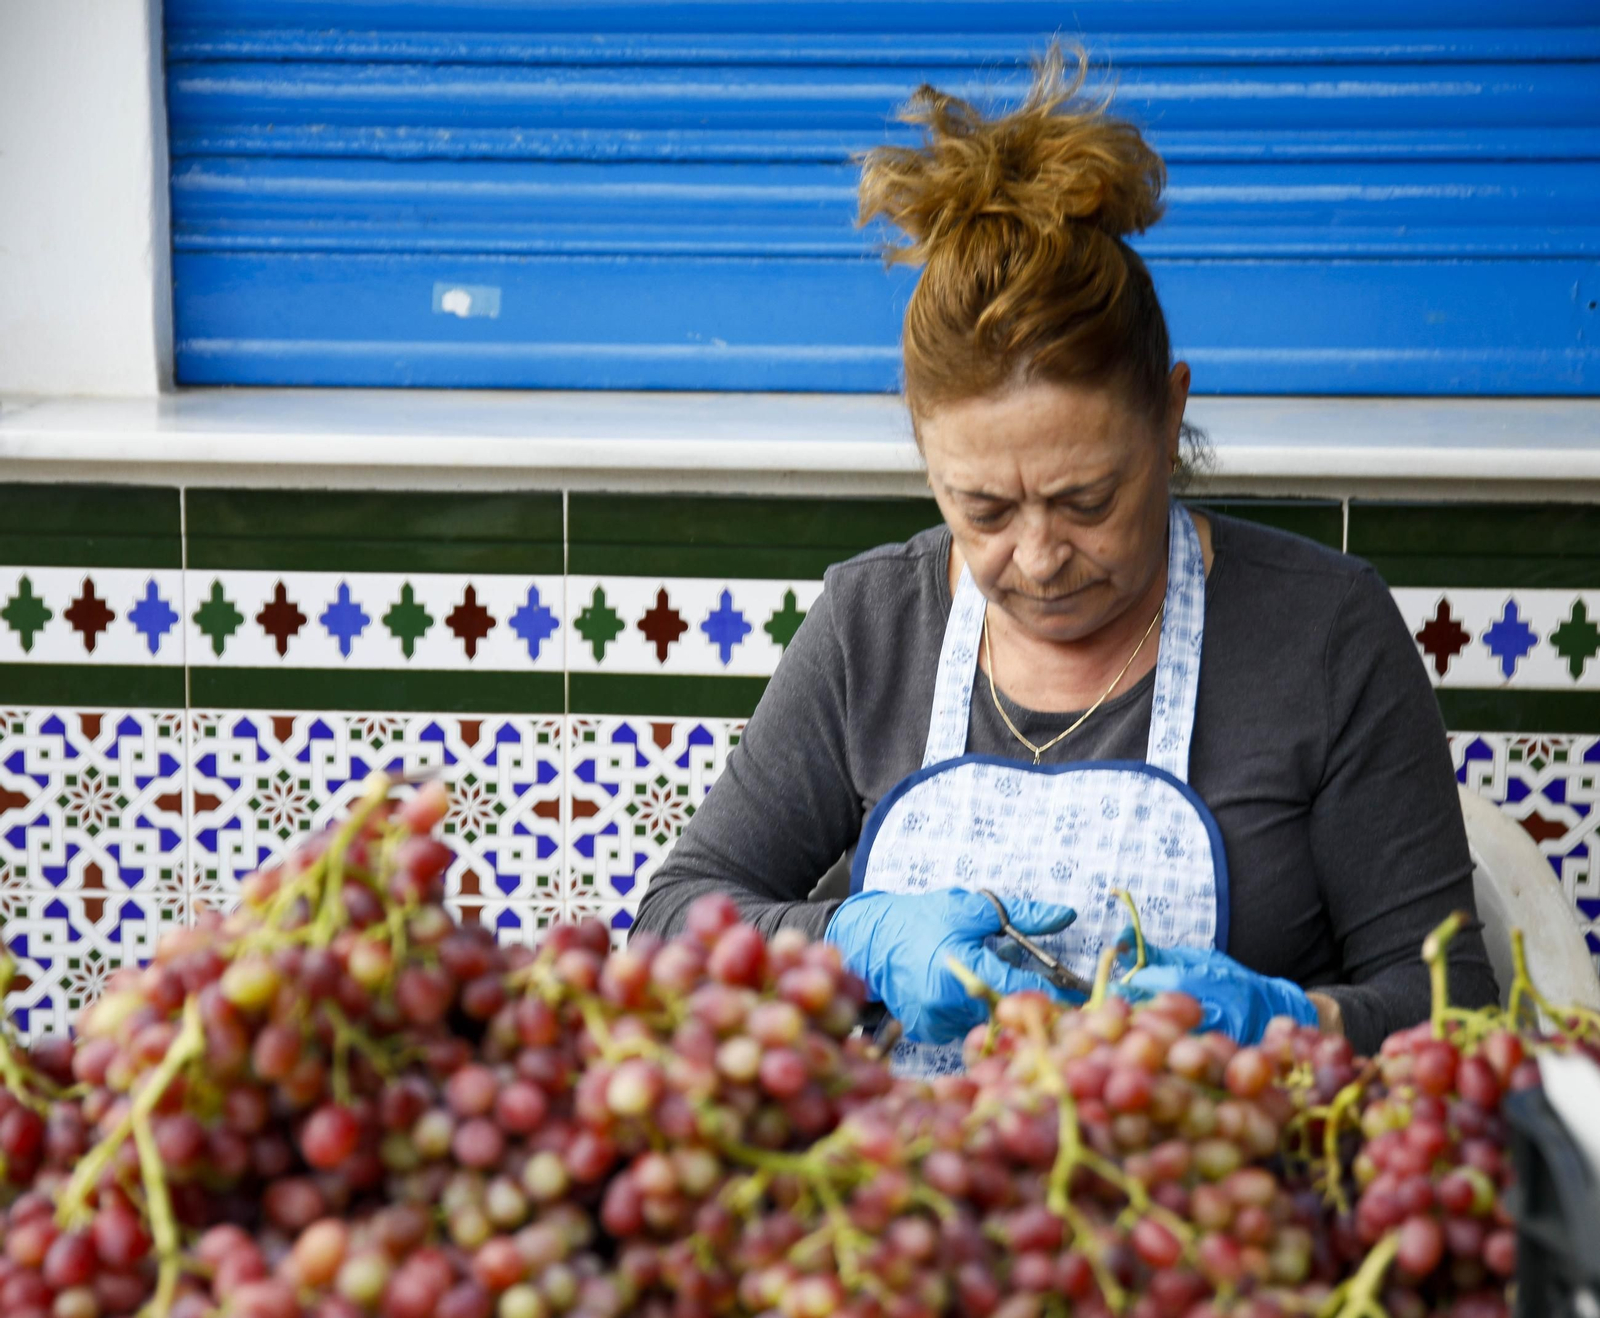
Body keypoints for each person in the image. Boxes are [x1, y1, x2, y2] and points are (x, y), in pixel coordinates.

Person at [632, 49, 1497, 1071]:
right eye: (982, 508)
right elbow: (669, 928)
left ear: (1169, 413)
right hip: (900, 1205)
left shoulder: (1326, 635)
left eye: (1087, 500)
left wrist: (1286, 1024)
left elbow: (1456, 1011)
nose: (1038, 558)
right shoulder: (871, 625)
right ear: (923, 455)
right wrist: (850, 945)